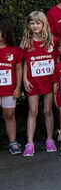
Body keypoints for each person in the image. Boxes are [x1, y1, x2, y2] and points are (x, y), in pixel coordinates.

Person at [21, 12, 57, 155]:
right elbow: (25, 63)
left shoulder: (52, 41)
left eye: (38, 23)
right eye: (31, 23)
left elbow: (57, 60)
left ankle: (50, 139)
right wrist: (25, 78)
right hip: (33, 81)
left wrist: (58, 79)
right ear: (28, 25)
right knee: (33, 111)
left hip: (48, 80)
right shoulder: (26, 42)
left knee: (48, 110)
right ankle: (30, 143)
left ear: (44, 24)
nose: (35, 26)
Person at [0, 17, 23, 154]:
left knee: (9, 114)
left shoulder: (14, 50)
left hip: (9, 90)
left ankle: (13, 142)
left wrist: (18, 88)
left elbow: (19, 69)